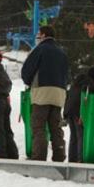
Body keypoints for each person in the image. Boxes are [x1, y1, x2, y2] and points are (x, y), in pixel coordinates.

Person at [20, 25, 69, 162]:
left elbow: (27, 70)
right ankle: (59, 156)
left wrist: (28, 82)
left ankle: (39, 157)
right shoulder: (62, 52)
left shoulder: (39, 49)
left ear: (43, 35)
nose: (37, 37)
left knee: (38, 125)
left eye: (38, 34)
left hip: (42, 91)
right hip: (59, 92)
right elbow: (67, 75)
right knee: (56, 126)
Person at [64, 66, 94, 163]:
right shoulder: (88, 83)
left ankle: (72, 159)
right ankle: (80, 159)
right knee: (81, 135)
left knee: (73, 136)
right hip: (78, 112)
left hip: (69, 111)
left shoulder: (76, 83)